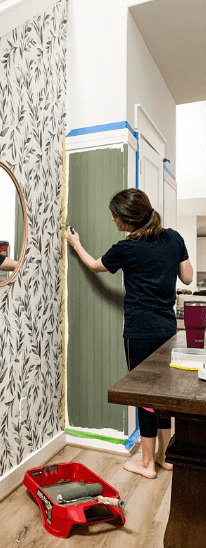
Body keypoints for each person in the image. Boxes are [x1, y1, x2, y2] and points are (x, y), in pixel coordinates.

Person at [66, 189, 193, 479]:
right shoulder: (173, 237)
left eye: (115, 215)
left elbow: (95, 266)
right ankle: (163, 456)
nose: (111, 219)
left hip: (139, 331)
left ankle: (147, 464)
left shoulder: (126, 248)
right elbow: (186, 277)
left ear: (127, 219)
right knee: (163, 394)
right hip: (167, 329)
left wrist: (76, 243)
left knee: (145, 396)